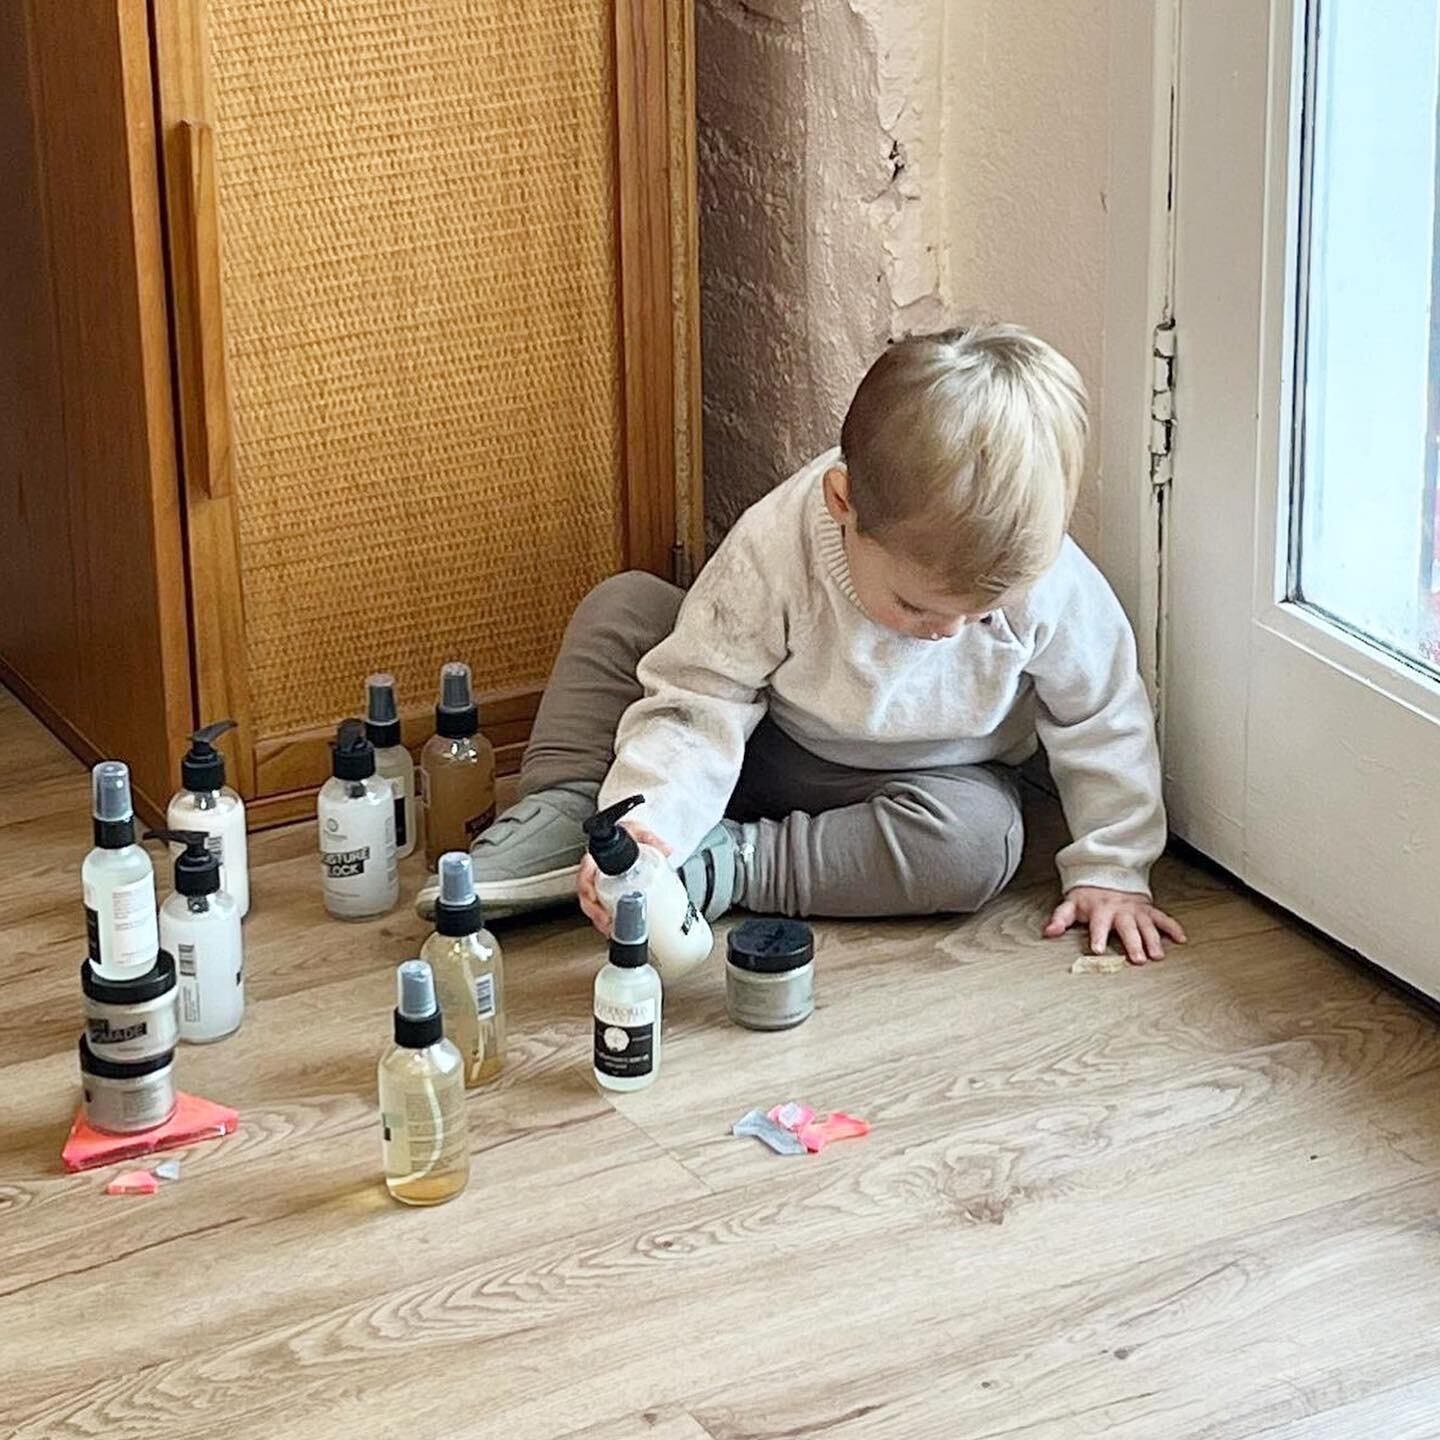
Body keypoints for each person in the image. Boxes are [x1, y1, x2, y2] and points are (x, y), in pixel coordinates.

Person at [424, 323, 1185, 965]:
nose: (951, 631)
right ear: (843, 505)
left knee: (979, 845)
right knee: (624, 607)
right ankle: (587, 811)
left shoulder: (1051, 584)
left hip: (912, 782)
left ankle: (731, 864)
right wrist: (650, 813)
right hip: (758, 732)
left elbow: (1103, 715)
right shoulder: (777, 547)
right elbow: (701, 695)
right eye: (919, 605)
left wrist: (1114, 867)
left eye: (987, 611)